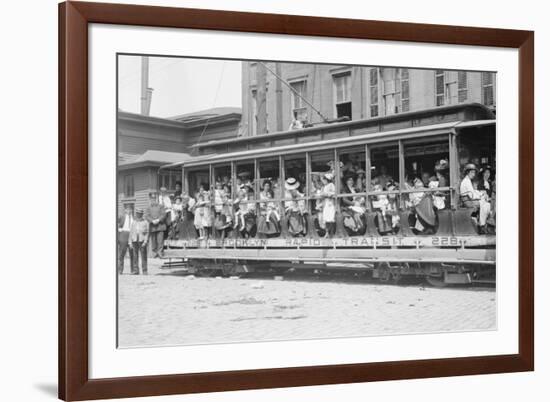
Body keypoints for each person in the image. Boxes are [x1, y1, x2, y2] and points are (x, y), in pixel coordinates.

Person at [460, 163, 491, 233]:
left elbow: (473, 192)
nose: (474, 174)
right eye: (472, 172)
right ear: (468, 172)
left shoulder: (467, 181)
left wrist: (480, 193)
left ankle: (482, 223)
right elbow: (472, 196)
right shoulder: (466, 182)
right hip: (468, 202)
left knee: (485, 203)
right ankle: (482, 224)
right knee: (486, 205)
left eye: (474, 172)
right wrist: (481, 195)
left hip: (468, 200)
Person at [145, 192, 167, 258]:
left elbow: (163, 214)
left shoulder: (161, 206)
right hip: (153, 226)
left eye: (154, 198)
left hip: (160, 225)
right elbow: (147, 216)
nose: (153, 200)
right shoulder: (148, 207)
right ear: (150, 199)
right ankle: (154, 253)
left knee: (160, 240)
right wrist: (152, 221)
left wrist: (158, 220)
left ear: (157, 199)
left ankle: (160, 252)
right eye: (152, 198)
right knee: (153, 241)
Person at [129, 209, 149, 275]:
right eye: (137, 213)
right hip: (134, 240)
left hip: (142, 241)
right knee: (135, 256)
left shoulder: (145, 222)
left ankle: (145, 270)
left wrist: (145, 242)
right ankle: (136, 271)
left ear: (142, 214)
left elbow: (147, 233)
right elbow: (131, 232)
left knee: (143, 256)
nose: (138, 215)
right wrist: (130, 242)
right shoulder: (133, 222)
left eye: (140, 213)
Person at [117, 205, 134, 274]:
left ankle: (133, 270)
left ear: (132, 210)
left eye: (130, 210)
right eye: (127, 210)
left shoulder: (134, 217)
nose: (129, 211)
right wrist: (119, 230)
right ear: (125, 211)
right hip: (123, 234)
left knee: (133, 254)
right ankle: (120, 270)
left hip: (132, 235)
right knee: (121, 254)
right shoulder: (121, 217)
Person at [320, 173, 336, 237]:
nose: (323, 182)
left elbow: (334, 192)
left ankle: (331, 232)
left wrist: (327, 194)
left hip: (330, 203)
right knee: (326, 217)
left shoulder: (331, 185)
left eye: (324, 180)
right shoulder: (324, 186)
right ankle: (327, 232)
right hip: (326, 202)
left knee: (330, 217)